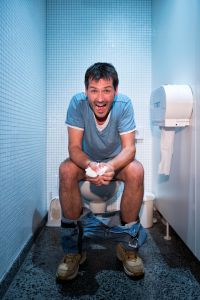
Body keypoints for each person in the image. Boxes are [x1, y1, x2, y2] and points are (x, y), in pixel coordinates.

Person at [56, 62, 147, 281]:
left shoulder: (124, 104)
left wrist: (111, 166)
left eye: (106, 90)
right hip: (88, 161)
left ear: (115, 91)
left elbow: (129, 149)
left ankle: (128, 247)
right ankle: (73, 251)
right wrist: (89, 166)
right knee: (66, 169)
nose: (100, 98)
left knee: (136, 170)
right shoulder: (77, 104)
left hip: (115, 161)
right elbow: (74, 148)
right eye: (94, 90)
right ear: (86, 90)